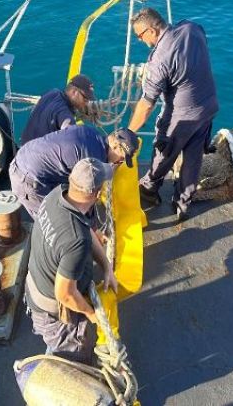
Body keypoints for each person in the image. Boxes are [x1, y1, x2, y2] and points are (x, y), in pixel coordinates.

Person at [129, 7, 218, 222]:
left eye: (140, 36)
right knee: (193, 159)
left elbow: (146, 104)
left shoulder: (159, 60)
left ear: (151, 30)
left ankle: (149, 190)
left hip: (180, 117)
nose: (140, 41)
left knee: (164, 152)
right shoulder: (192, 28)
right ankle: (183, 204)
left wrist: (129, 132)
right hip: (207, 109)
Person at [25, 157, 118, 364]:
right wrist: (91, 313)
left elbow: (85, 230)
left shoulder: (56, 196)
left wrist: (107, 268)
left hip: (36, 287)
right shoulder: (76, 240)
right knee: (70, 356)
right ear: (97, 194)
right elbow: (65, 294)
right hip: (54, 315)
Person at [10, 124, 138, 218]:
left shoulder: (90, 132)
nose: (119, 162)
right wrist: (93, 230)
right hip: (27, 178)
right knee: (52, 224)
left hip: (26, 154)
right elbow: (84, 198)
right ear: (115, 145)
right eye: (121, 158)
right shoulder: (92, 161)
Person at [19, 74, 95, 144]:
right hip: (37, 156)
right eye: (85, 98)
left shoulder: (53, 92)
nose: (87, 103)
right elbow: (71, 135)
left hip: (23, 148)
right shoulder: (65, 114)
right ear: (74, 92)